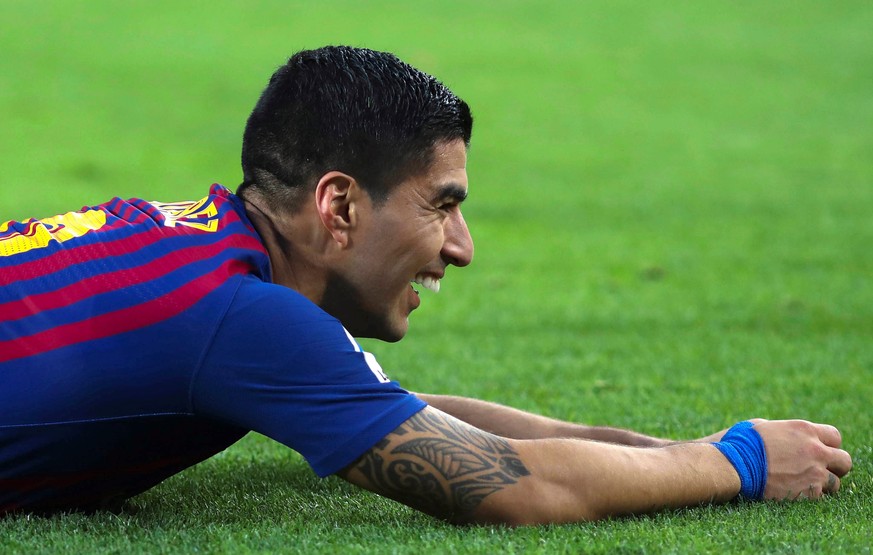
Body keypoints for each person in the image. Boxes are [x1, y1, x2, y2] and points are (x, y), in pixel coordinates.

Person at [0, 46, 851, 524]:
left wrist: (647, 448)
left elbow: (400, 410)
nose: (463, 246)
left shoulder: (199, 244)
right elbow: (512, 484)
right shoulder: (243, 318)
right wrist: (733, 460)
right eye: (441, 205)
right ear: (337, 205)